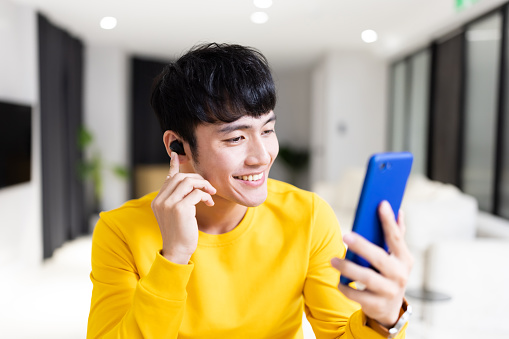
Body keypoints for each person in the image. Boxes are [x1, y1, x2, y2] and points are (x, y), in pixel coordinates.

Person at [87, 43, 413, 338]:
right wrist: (174, 258)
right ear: (178, 146)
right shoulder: (121, 231)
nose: (262, 156)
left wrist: (383, 320)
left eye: (267, 130)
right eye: (236, 138)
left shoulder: (308, 216)